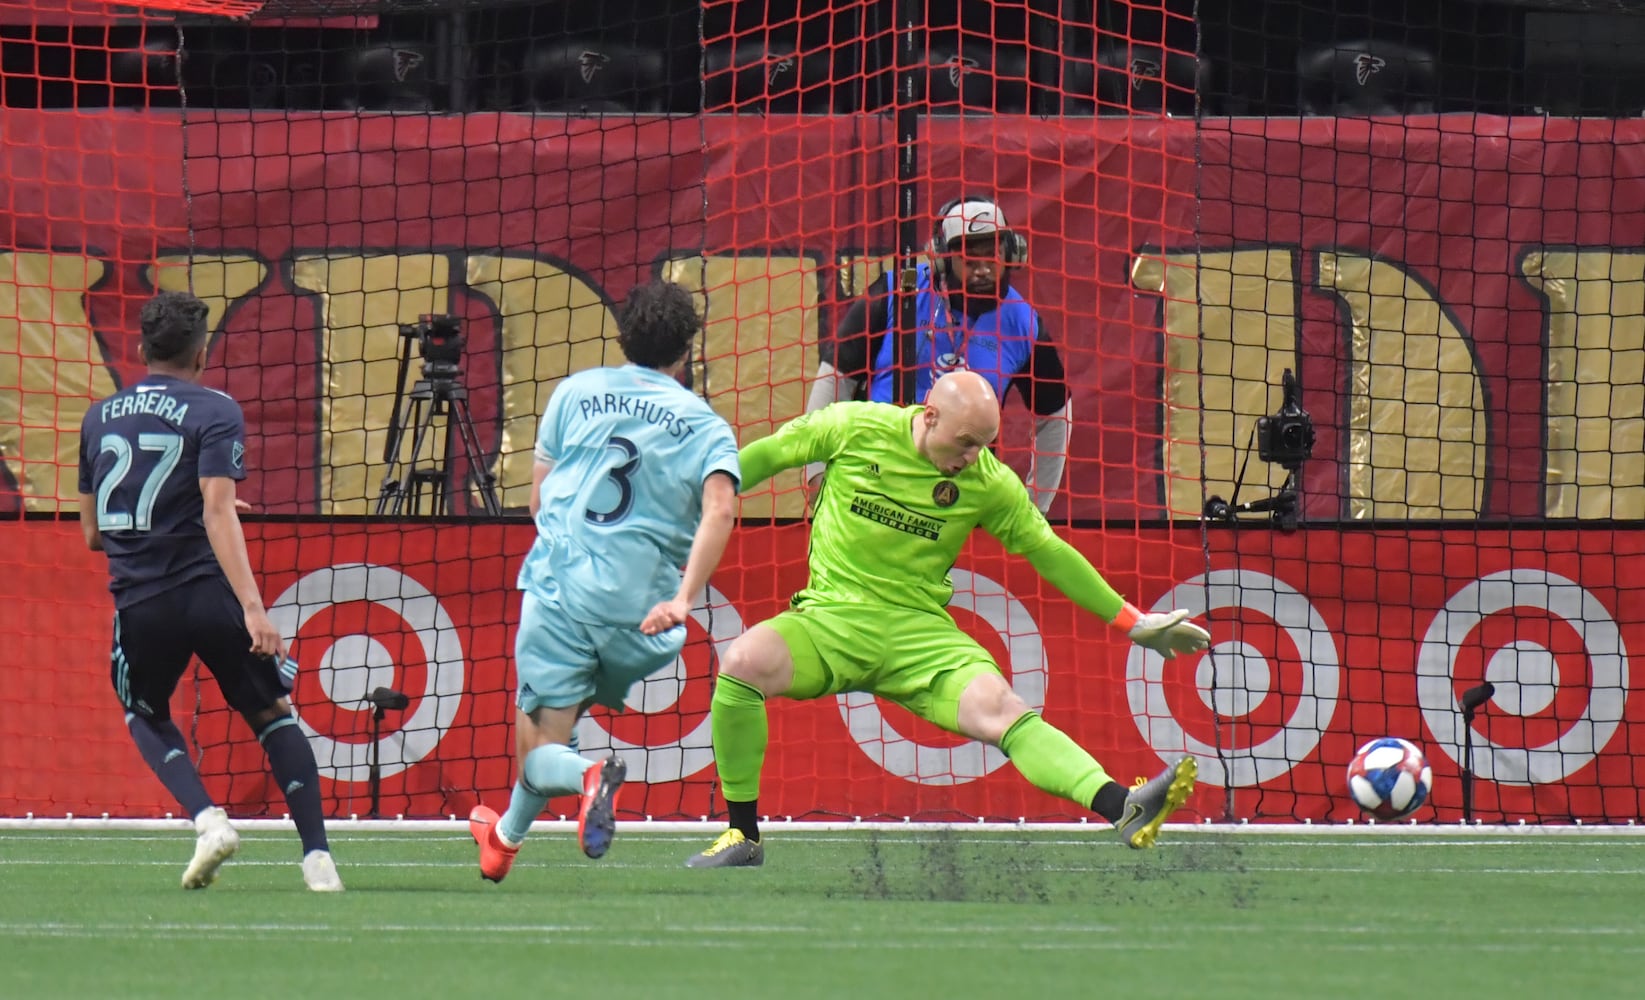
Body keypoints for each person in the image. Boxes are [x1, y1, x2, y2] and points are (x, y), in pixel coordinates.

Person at [686, 371, 1211, 868]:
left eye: (984, 444)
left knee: (1001, 708)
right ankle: (742, 834)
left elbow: (1049, 551)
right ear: (929, 415)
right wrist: (702, 502)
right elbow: (770, 454)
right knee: (741, 663)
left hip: (919, 637)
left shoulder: (988, 482)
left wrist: (1132, 622)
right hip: (831, 622)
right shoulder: (853, 427)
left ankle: (1123, 806)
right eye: (965, 442)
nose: (972, 457)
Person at [468, 280, 741, 882]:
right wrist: (684, 598)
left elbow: (540, 500)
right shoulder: (706, 425)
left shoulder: (576, 391)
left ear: (623, 337)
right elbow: (721, 510)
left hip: (564, 595)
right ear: (687, 350)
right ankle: (503, 842)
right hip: (645, 618)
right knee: (548, 742)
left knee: (541, 749)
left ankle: (591, 778)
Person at [76, 291, 342, 892]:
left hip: (140, 604)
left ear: (142, 350)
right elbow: (220, 511)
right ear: (202, 355)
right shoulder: (215, 408)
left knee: (143, 711)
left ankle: (206, 818)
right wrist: (255, 608)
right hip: (207, 594)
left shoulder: (98, 417)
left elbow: (94, 533)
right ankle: (317, 859)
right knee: (272, 715)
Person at [807, 194, 1072, 514]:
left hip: (958, 491)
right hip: (874, 475)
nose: (984, 269)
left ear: (1012, 252)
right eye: (970, 258)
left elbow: (1055, 412)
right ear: (943, 258)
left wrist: (1036, 504)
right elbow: (835, 377)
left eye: (993, 255)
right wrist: (816, 470)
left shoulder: (1023, 323)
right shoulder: (894, 294)